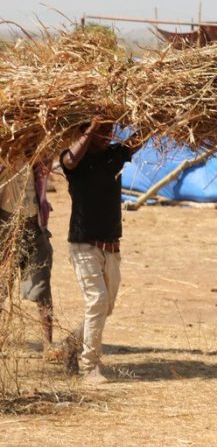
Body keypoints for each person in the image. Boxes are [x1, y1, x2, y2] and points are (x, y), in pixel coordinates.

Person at [60, 118, 139, 382]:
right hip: (83, 244)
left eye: (109, 130)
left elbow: (140, 140)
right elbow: (70, 161)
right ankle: (89, 366)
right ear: (85, 132)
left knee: (106, 306)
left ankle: (73, 343)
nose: (107, 135)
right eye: (100, 131)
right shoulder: (75, 162)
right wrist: (91, 129)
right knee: (97, 301)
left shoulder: (114, 156)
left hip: (111, 246)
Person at [0, 158, 54, 349]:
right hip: (6, 227)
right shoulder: (5, 153)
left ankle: (48, 344)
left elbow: (46, 165)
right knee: (2, 285)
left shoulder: (36, 154)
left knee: (42, 287)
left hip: (34, 226)